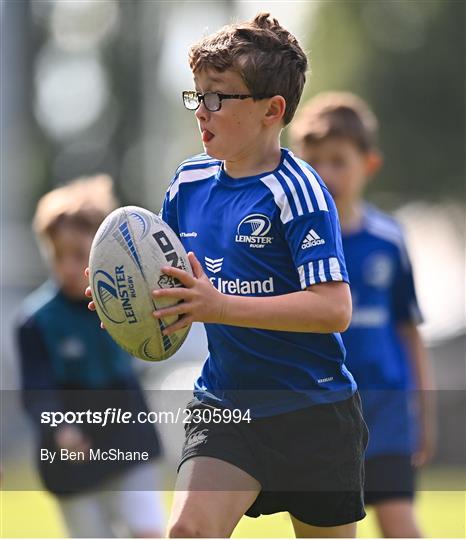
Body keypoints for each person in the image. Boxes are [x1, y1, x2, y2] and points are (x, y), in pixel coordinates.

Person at [90, 13, 368, 538]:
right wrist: (126, 300)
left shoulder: (299, 191)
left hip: (314, 413)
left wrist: (220, 307)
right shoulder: (187, 183)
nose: (202, 111)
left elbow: (334, 309)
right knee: (188, 531)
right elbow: (168, 284)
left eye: (218, 97)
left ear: (272, 109)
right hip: (226, 405)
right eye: (196, 95)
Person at [290, 91, 436, 537]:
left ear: (368, 164)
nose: (327, 173)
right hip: (324, 419)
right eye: (314, 161)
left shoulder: (389, 241)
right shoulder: (295, 244)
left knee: (400, 525)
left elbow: (408, 330)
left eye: (339, 160)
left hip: (387, 417)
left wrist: (425, 414)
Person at [16, 175, 165, 538]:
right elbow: (36, 389)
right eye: (58, 255)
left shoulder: (128, 306)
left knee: (147, 530)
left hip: (128, 438)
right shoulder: (36, 320)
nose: (68, 266)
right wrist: (60, 427)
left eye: (78, 255)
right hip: (72, 453)